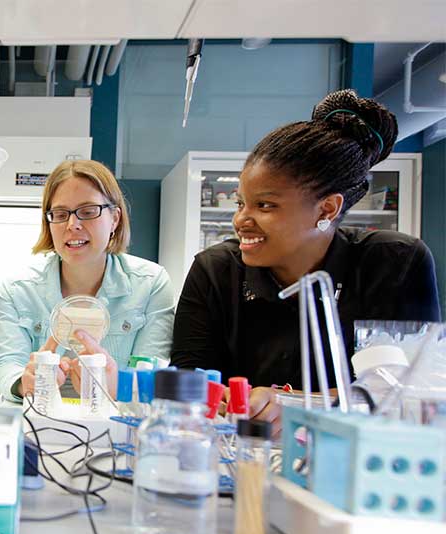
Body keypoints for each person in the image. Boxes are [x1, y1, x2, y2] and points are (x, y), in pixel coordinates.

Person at [170, 89, 441, 426]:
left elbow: (410, 396)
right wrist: (218, 398)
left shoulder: (394, 263)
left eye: (265, 205)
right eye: (241, 203)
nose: (241, 220)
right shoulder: (215, 270)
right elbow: (186, 383)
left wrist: (293, 404)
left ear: (327, 208)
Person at [0, 159, 175, 402]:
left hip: (115, 426)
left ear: (115, 219)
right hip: (35, 426)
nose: (72, 225)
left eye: (88, 212)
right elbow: (5, 364)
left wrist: (117, 385)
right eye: (60, 214)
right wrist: (23, 382)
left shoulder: (150, 283)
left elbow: (153, 372)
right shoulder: (17, 288)